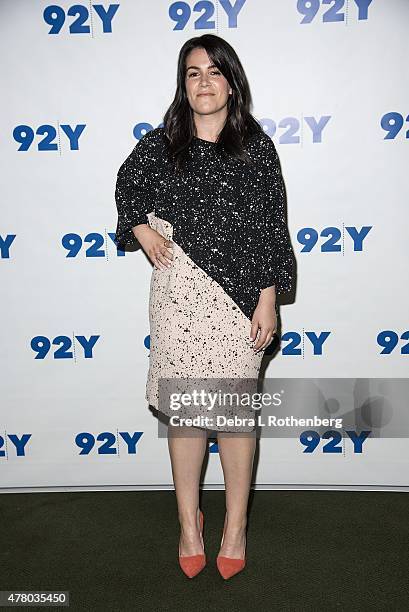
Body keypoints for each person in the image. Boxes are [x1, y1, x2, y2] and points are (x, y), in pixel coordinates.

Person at [114, 34, 295, 580]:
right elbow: (127, 187)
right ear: (182, 83)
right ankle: (189, 525)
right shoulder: (159, 145)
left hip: (240, 304)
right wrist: (141, 227)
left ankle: (234, 527)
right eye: (193, 73)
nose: (204, 82)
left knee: (235, 420)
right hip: (179, 298)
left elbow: (270, 229)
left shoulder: (257, 148)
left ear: (231, 81)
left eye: (215, 71)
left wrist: (268, 300)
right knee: (188, 418)